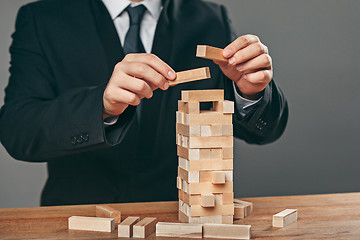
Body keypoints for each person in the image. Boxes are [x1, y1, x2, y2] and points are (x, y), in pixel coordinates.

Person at [0, 0, 288, 206]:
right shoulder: (42, 17)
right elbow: (17, 129)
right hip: (78, 216)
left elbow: (264, 131)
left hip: (179, 218)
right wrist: (101, 106)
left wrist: (250, 94)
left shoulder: (209, 17)